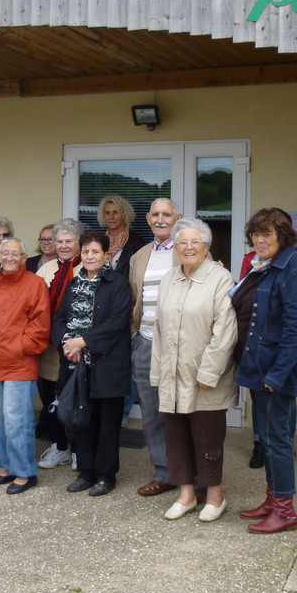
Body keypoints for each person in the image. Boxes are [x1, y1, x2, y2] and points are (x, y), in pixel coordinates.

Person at [152, 218, 238, 522]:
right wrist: (157, 372)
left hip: (204, 378)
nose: (188, 248)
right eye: (182, 242)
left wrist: (208, 373)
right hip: (172, 376)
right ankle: (186, 494)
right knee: (176, 438)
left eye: (195, 242)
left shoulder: (220, 278)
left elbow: (225, 331)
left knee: (208, 439)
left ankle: (215, 495)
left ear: (207, 246)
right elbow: (159, 329)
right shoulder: (168, 279)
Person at [234, 207, 297, 534]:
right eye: (256, 234)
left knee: (278, 440)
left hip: (276, 372)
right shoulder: (265, 266)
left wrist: (277, 375)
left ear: (283, 236)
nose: (260, 239)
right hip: (258, 366)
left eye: (267, 233)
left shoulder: (294, 268)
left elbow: (296, 329)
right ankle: (271, 500)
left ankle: (285, 510)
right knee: (266, 439)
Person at [53, 230, 133, 497]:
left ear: (106, 255)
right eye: (85, 251)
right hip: (76, 365)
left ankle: (105, 475)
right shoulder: (73, 285)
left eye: (95, 251)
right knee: (81, 421)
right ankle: (85, 472)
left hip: (107, 364)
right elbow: (59, 318)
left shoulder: (118, 283)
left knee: (106, 423)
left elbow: (118, 322)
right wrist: (67, 342)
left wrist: (83, 342)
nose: (89, 256)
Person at [0, 237, 51, 494]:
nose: (9, 257)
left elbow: (40, 327)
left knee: (17, 420)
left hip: (20, 363)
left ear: (23, 257)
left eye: (15, 253)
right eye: (4, 253)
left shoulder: (35, 284)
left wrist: (20, 347)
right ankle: (7, 466)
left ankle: (25, 471)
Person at [126, 198, 182, 496]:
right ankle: (163, 472)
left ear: (178, 218)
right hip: (145, 342)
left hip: (179, 346)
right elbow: (134, 299)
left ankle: (190, 475)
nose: (161, 219)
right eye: (156, 215)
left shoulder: (189, 249)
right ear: (148, 219)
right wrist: (136, 337)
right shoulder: (140, 256)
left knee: (182, 411)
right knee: (151, 412)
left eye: (167, 215)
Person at [34, 218, 82, 469]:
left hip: (78, 347)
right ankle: (59, 446)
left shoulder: (87, 265)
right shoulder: (47, 268)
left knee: (76, 398)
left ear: (78, 243)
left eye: (68, 241)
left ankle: (78, 450)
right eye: (59, 241)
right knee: (51, 397)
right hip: (49, 349)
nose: (63, 246)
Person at [97, 194, 147, 273]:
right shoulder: (99, 241)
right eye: (107, 213)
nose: (111, 217)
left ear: (124, 214)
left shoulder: (137, 243)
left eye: (115, 212)